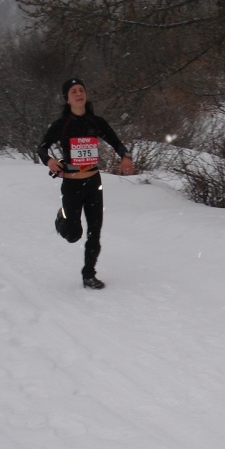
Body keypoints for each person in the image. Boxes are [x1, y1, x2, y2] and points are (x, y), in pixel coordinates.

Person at [37, 77, 134, 290]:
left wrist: (125, 156)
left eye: (81, 90)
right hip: (71, 185)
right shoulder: (61, 125)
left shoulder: (96, 122)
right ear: (67, 99)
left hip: (93, 184)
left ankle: (88, 274)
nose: (79, 93)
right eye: (74, 91)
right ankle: (61, 217)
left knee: (95, 231)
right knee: (73, 235)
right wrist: (50, 161)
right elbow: (41, 148)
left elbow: (116, 142)